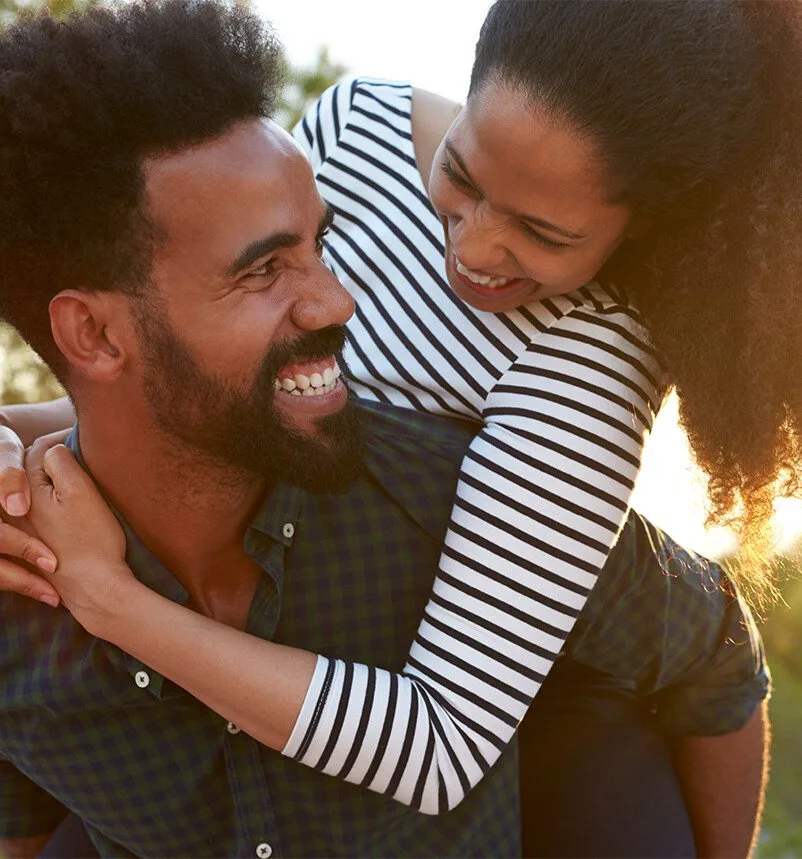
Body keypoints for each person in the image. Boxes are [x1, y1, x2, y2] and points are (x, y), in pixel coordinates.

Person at [0, 0, 776, 855]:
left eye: (543, 232)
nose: (474, 249)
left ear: (633, 233)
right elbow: (194, 371)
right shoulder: (359, 126)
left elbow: (444, 743)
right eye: (466, 176)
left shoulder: (586, 356)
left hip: (490, 686)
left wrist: (109, 599)